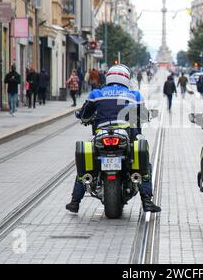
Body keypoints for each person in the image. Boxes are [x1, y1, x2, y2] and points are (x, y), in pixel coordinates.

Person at [66, 64, 161, 214]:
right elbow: (143, 116)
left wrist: (84, 118)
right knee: (144, 165)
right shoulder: (134, 95)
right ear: (126, 79)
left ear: (109, 77)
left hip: (101, 135)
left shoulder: (96, 94)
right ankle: (147, 201)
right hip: (126, 135)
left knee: (87, 164)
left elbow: (84, 115)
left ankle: (75, 201)